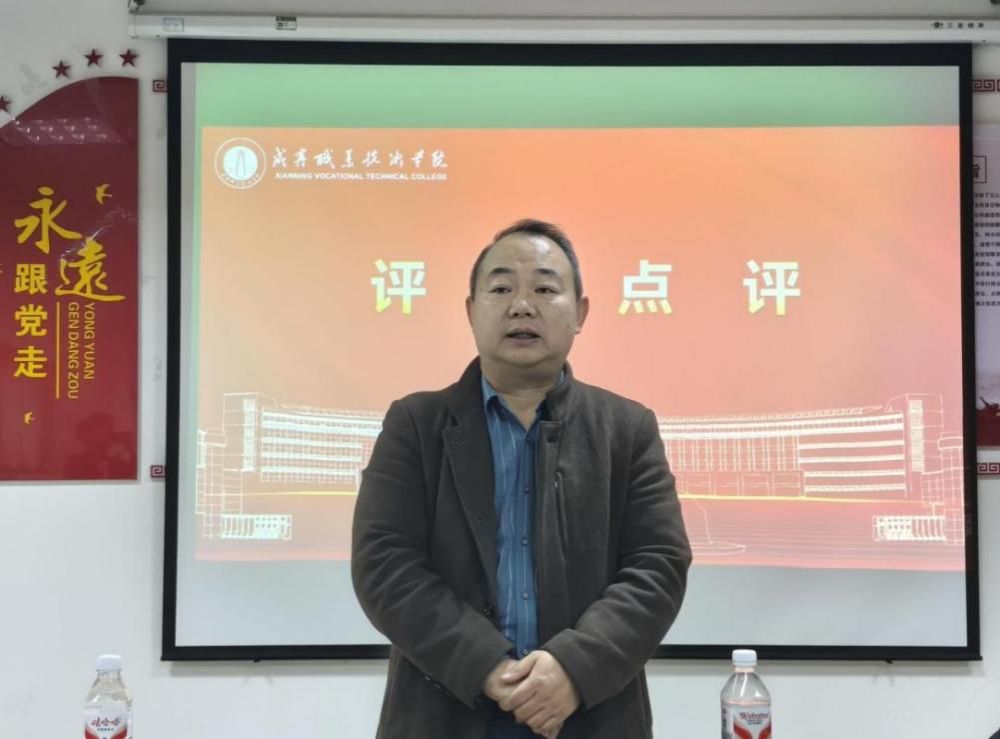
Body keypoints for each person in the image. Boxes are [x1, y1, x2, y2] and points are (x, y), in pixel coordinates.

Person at [352, 218, 692, 738]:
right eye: (501, 288)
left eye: (545, 289)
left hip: (587, 712)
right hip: (446, 713)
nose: (522, 306)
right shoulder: (416, 425)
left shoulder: (626, 429)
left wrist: (572, 668)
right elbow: (385, 564)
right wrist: (487, 666)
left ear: (580, 313)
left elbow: (658, 565)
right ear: (471, 311)